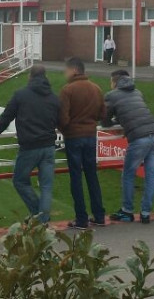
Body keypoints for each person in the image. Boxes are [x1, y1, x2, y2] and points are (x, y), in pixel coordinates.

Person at [0, 65, 60, 224]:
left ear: (30, 77)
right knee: (46, 186)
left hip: (29, 147)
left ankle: (38, 216)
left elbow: (6, 116)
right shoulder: (54, 98)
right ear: (46, 77)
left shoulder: (21, 95)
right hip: (49, 146)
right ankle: (42, 219)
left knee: (19, 181)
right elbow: (59, 121)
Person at [104, 70, 154, 224]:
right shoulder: (137, 92)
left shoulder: (111, 95)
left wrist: (118, 121)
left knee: (128, 174)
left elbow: (105, 120)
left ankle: (127, 211)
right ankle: (145, 213)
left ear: (114, 82)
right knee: (151, 177)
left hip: (139, 138)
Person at [58, 57, 106, 229]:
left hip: (73, 138)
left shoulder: (67, 90)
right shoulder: (96, 88)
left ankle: (81, 219)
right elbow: (102, 114)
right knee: (92, 176)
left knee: (76, 178)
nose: (65, 73)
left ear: (74, 70)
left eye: (67, 70)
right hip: (91, 136)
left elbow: (63, 118)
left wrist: (64, 130)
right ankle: (99, 216)